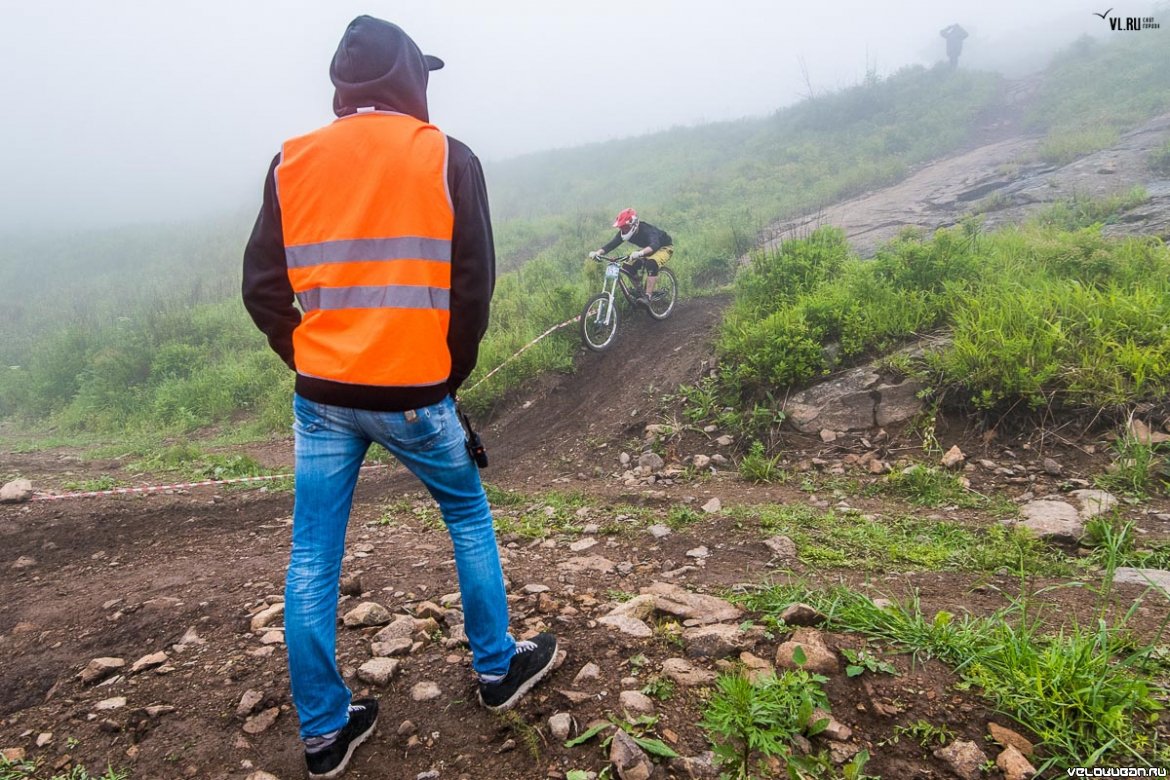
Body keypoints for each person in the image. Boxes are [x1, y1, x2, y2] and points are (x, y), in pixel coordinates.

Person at [242, 16, 558, 779]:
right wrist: (444, 375)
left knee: (313, 555)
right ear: (410, 78)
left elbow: (260, 288)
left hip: (321, 398)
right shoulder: (448, 156)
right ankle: (496, 670)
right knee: (467, 513)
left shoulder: (291, 161)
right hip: (416, 392)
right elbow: (473, 287)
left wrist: (310, 355)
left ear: (345, 85)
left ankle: (324, 732)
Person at [589, 208, 674, 305]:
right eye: (621, 227)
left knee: (652, 263)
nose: (622, 230)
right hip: (647, 249)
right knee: (627, 266)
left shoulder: (647, 230)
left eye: (625, 227)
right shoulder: (623, 233)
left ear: (634, 224)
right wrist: (598, 253)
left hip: (664, 247)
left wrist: (640, 253)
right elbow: (611, 245)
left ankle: (648, 296)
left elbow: (654, 245)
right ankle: (640, 290)